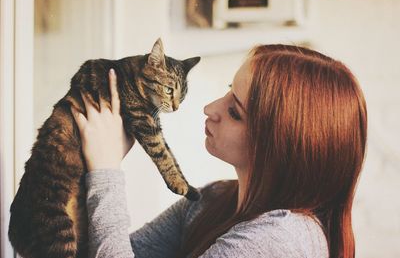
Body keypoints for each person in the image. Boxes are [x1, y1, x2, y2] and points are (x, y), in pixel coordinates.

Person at [71, 44, 367, 258]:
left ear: (280, 146)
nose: (210, 109)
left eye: (235, 112)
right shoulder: (211, 200)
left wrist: (105, 173)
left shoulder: (276, 242)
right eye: (228, 90)